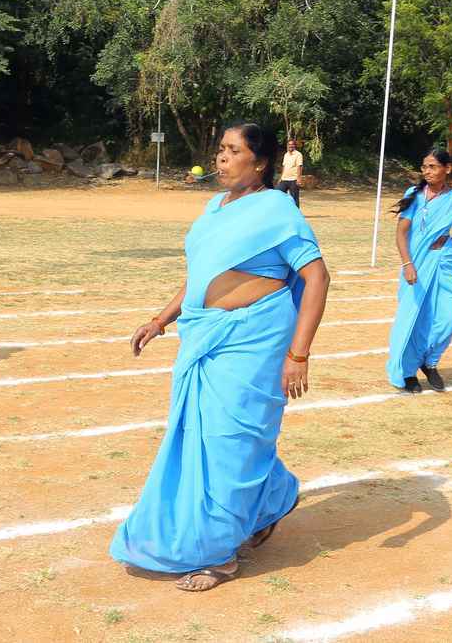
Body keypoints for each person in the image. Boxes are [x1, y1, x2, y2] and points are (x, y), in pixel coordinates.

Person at [110, 123, 330, 592]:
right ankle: (273, 496)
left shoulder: (278, 209)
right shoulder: (215, 207)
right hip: (204, 335)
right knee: (206, 437)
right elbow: (200, 275)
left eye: (233, 151)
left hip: (254, 340)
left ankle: (219, 553)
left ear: (261, 163)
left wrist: (299, 354)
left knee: (230, 438)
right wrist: (160, 319)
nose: (222, 159)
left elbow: (317, 277)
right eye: (221, 150)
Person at [387, 149, 452, 393]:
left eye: (433, 166)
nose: (427, 171)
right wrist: (407, 264)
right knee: (414, 318)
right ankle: (407, 372)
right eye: (424, 166)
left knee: (449, 316)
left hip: (445, 261)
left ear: (448, 168)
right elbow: (401, 233)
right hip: (416, 263)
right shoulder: (414, 195)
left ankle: (429, 361)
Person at [276, 139, 303, 207]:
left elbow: (299, 166)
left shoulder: (298, 154)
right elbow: (284, 166)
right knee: (278, 193)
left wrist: (299, 178)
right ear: (287, 145)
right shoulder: (286, 154)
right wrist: (281, 177)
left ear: (294, 146)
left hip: (293, 179)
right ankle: (284, 209)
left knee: (294, 198)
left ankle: (295, 212)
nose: (290, 146)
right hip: (284, 179)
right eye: (289, 144)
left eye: (292, 144)